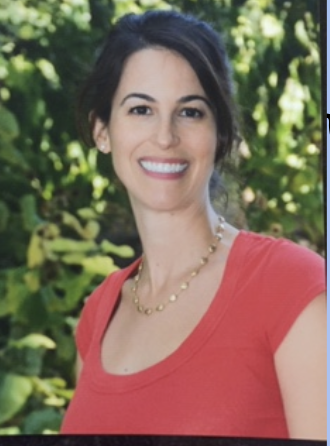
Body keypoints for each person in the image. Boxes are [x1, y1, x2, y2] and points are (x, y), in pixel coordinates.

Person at [61, 10, 326, 440]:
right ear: (102, 131)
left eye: (191, 112)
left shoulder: (293, 287)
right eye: (141, 109)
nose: (165, 136)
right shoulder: (98, 315)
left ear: (220, 135)